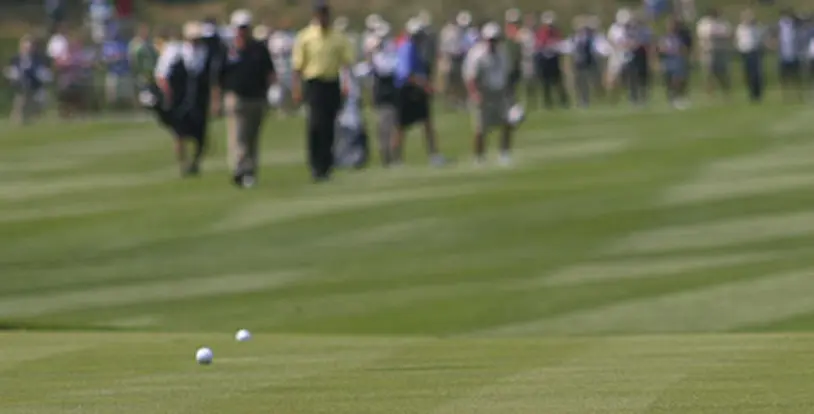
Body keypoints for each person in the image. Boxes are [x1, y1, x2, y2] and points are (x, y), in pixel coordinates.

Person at [213, 9, 275, 187]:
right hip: (236, 98)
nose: (242, 31)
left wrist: (269, 93)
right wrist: (217, 100)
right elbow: (218, 77)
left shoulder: (259, 49)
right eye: (240, 28)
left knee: (252, 138)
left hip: (257, 98)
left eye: (245, 27)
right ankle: (240, 171)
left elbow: (269, 72)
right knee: (238, 137)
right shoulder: (228, 50)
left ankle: (251, 171)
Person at [291, 1, 352, 182]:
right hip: (314, 83)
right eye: (319, 14)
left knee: (329, 126)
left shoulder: (338, 37)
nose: (323, 18)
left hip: (331, 83)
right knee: (316, 125)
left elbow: (346, 64)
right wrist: (296, 88)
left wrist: (346, 84)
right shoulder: (306, 37)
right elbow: (297, 66)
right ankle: (315, 164)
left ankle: (326, 165)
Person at [154, 22, 212, 176]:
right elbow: (162, 75)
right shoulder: (174, 52)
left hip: (198, 100)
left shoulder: (204, 52)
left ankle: (195, 162)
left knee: (201, 136)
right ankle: (183, 163)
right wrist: (167, 95)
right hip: (179, 99)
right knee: (179, 134)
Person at [393, 18, 445, 166]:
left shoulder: (417, 47)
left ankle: (433, 155)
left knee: (427, 123)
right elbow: (407, 74)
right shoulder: (407, 48)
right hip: (407, 90)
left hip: (417, 88)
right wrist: (426, 85)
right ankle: (396, 160)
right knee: (401, 126)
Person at [463, 22, 513, 166]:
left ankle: (504, 153)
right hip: (483, 92)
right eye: (490, 39)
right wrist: (474, 94)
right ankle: (479, 157)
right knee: (480, 127)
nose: (493, 42)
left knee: (506, 122)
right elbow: (470, 77)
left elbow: (507, 74)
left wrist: (509, 93)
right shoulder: (476, 54)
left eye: (495, 39)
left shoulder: (503, 53)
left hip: (500, 91)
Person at [369, 21, 398, 166]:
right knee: (383, 128)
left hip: (392, 93)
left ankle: (393, 157)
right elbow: (384, 69)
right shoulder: (376, 55)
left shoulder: (390, 50)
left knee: (393, 126)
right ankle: (386, 158)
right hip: (382, 95)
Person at [5, 36, 52, 125]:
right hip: (21, 88)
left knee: (37, 108)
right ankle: (17, 124)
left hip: (35, 87)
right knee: (19, 108)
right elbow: (11, 71)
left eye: (30, 47)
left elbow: (44, 72)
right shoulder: (16, 59)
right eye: (25, 47)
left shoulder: (38, 59)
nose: (28, 49)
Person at [535, 11, 569, 109]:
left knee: (558, 81)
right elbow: (539, 45)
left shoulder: (556, 32)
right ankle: (548, 102)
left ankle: (563, 101)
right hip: (544, 60)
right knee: (546, 83)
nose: (550, 27)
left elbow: (560, 44)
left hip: (554, 59)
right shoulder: (541, 33)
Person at [696, 8, 732, 98]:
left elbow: (728, 34)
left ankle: (726, 92)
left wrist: (717, 35)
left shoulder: (723, 22)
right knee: (708, 73)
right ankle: (710, 94)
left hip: (720, 51)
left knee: (722, 72)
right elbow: (703, 36)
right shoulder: (704, 23)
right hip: (708, 51)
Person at [570, 16, 603, 107]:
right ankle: (580, 100)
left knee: (587, 82)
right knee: (579, 83)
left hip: (587, 62)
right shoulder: (574, 38)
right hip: (578, 63)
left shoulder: (589, 38)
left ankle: (586, 100)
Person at [659, 17, 690, 109]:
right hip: (668, 59)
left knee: (677, 79)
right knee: (668, 80)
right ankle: (671, 98)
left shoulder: (681, 37)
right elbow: (660, 48)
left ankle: (679, 97)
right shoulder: (664, 37)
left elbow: (684, 48)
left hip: (677, 59)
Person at [268, 19, 297, 117]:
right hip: (278, 69)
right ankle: (281, 109)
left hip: (290, 69)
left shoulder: (293, 37)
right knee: (277, 93)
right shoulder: (275, 38)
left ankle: (292, 108)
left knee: (293, 90)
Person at [736, 9, 765, 103]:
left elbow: (760, 39)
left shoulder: (756, 28)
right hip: (745, 52)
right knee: (748, 74)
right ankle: (751, 93)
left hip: (754, 51)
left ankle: (758, 93)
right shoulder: (740, 28)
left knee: (756, 74)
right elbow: (739, 40)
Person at [776, 9, 803, 102]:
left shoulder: (794, 26)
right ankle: (785, 96)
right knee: (784, 77)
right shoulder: (780, 26)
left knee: (796, 76)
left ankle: (797, 95)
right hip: (784, 55)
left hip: (794, 54)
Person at [102, 30, 133, 109]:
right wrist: (115, 58)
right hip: (113, 72)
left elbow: (126, 56)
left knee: (126, 95)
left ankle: (127, 109)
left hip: (124, 72)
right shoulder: (107, 45)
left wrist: (119, 57)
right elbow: (106, 59)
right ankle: (112, 110)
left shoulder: (123, 43)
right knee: (112, 96)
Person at [516, 12, 539, 109]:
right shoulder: (522, 33)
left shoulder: (535, 33)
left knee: (533, 82)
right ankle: (525, 101)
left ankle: (533, 101)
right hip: (525, 60)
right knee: (525, 81)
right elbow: (518, 45)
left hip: (534, 59)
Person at [129, 23, 159, 94]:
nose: (145, 32)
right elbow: (133, 59)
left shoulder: (150, 42)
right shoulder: (135, 44)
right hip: (140, 74)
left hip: (151, 75)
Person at [503, 8, 523, 103]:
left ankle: (512, 101)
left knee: (513, 85)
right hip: (508, 63)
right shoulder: (507, 33)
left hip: (516, 63)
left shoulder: (519, 33)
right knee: (508, 86)